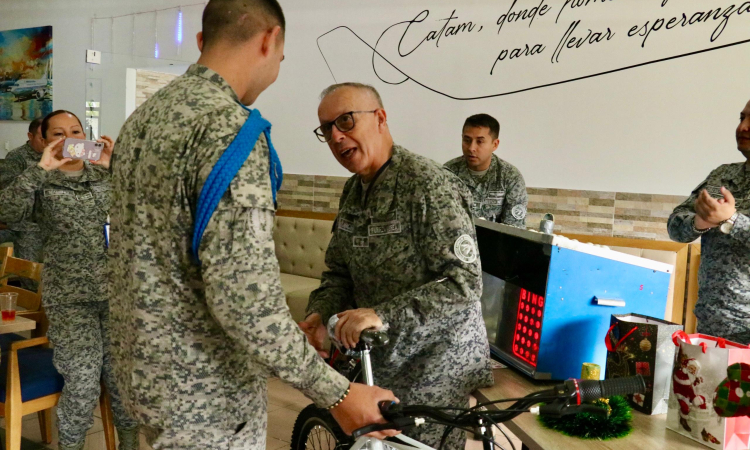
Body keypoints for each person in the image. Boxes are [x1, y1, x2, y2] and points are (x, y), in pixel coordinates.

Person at [108, 1, 396, 449]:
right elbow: (246, 304)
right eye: (281, 56)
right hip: (205, 396)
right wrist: (338, 392)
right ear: (270, 40)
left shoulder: (146, 117)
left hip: (144, 375)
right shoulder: (228, 129)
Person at [300, 82, 493, 450]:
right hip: (380, 359)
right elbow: (339, 272)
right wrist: (318, 313)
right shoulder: (354, 190)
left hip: (436, 366)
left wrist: (381, 315)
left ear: (380, 118)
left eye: (346, 121)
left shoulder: (428, 185)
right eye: (327, 129)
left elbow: (465, 284)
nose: (337, 136)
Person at [0, 110, 139, 450]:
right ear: (45, 142)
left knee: (123, 381)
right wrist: (40, 170)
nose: (69, 138)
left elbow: (149, 207)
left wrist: (118, 166)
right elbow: (5, 211)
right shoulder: (39, 181)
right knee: (82, 382)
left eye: (75, 130)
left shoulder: (105, 175)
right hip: (70, 298)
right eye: (58, 134)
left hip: (117, 294)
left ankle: (131, 446)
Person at [668, 98, 750, 344]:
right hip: (710, 328)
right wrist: (700, 222)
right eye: (741, 118)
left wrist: (732, 221)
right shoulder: (723, 175)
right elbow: (675, 226)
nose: (743, 127)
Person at [444, 114, 528, 227]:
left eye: (479, 142)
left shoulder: (510, 177)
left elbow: (514, 230)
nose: (471, 148)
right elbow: (438, 220)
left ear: (495, 144)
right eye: (467, 140)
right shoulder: (448, 173)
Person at [0, 117, 45, 265]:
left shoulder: (59, 157)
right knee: (32, 270)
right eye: (41, 138)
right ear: (30, 136)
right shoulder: (17, 157)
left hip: (54, 220)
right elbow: (10, 194)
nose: (47, 142)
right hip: (26, 223)